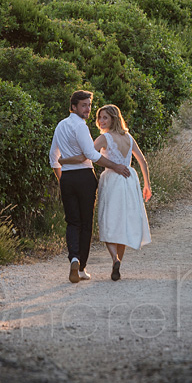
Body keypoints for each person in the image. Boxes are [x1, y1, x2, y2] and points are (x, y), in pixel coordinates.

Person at [60, 104, 151, 281]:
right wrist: (147, 185)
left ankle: (114, 258)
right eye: (99, 117)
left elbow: (85, 156)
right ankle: (117, 264)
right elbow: (142, 161)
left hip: (112, 180)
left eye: (105, 118)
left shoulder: (105, 138)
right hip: (130, 180)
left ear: (113, 119)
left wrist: (63, 159)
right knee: (123, 222)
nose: (101, 121)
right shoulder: (129, 137)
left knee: (108, 221)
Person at [49, 91, 130, 284]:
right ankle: (82, 268)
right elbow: (91, 155)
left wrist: (62, 178)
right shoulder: (80, 126)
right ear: (74, 107)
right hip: (84, 177)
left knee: (72, 222)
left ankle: (74, 259)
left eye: (89, 105)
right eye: (84, 105)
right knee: (86, 223)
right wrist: (116, 166)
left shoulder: (60, 125)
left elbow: (53, 156)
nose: (87, 109)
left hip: (67, 177)